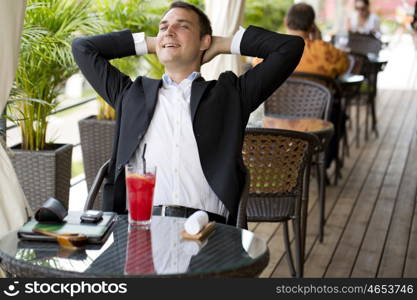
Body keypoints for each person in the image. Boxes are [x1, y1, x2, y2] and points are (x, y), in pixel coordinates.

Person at [72, 1, 304, 225]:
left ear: (205, 41)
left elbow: (289, 47)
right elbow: (82, 48)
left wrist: (223, 44)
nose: (169, 31)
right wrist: (156, 42)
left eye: (182, 26)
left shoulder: (231, 95)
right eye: (163, 27)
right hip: (139, 225)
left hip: (209, 231)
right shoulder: (131, 95)